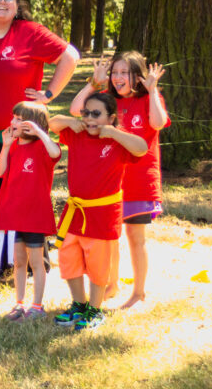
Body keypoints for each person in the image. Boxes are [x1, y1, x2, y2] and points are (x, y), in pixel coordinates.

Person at [0, 0, 79, 279]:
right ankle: (1, 263)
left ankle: (39, 260)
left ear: (16, 5)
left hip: (25, 132)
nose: (2, 2)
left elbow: (71, 56)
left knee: (28, 196)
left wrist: (48, 94)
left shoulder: (30, 32)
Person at [69, 51, 170, 308]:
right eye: (115, 72)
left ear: (137, 76)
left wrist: (153, 91)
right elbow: (75, 110)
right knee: (107, 237)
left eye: (124, 72)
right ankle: (110, 285)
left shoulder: (149, 98)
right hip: (110, 183)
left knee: (135, 237)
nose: (117, 77)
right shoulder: (108, 102)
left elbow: (157, 124)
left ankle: (138, 292)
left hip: (140, 181)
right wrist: (93, 83)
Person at [49, 92, 147, 330]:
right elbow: (52, 123)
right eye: (86, 113)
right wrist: (72, 121)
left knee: (98, 263)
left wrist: (113, 132)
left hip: (102, 213)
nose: (90, 119)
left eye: (96, 114)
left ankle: (95, 308)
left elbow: (142, 148)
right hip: (75, 211)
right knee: (68, 256)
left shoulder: (118, 141)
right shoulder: (77, 134)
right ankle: (79, 304)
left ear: (111, 117)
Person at [0, 102, 61, 322]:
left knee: (36, 262)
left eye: (19, 119)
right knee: (19, 261)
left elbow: (55, 152)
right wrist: (5, 146)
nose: (13, 122)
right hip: (14, 213)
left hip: (34, 214)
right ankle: (20, 303)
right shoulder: (12, 146)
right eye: (13, 117)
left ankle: (37, 305)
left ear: (33, 124)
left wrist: (40, 133)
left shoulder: (42, 147)